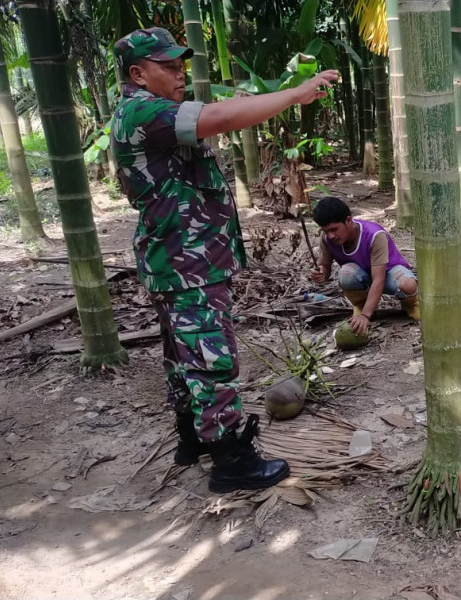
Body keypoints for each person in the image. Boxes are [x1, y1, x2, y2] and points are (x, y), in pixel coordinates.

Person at [109, 27, 339, 493]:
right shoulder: (142, 111)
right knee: (211, 359)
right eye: (167, 66)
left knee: (183, 355)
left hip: (178, 258)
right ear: (138, 73)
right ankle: (232, 460)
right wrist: (294, 94)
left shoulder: (152, 112)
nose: (179, 74)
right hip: (184, 262)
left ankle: (192, 439)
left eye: (179, 65)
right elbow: (221, 116)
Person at [309, 196, 419, 335]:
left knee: (407, 284)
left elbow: (378, 279)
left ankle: (411, 305)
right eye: (326, 231)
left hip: (388, 275)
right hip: (362, 278)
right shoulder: (327, 240)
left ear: (348, 220)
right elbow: (324, 265)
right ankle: (359, 306)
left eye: (334, 229)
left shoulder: (374, 235)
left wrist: (365, 316)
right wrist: (320, 273)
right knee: (346, 273)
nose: (331, 236)